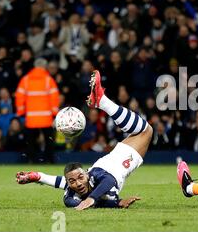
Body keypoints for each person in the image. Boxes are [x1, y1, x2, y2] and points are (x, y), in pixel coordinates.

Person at [16, 70, 153, 210]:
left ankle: (102, 101)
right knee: (143, 130)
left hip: (120, 161)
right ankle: (102, 101)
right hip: (114, 158)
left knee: (146, 131)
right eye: (73, 182)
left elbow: (109, 181)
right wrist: (37, 176)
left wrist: (91, 199)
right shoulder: (70, 196)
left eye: (81, 177)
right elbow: (65, 184)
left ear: (86, 174)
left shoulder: (96, 176)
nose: (78, 183)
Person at [15, 58, 60, 163]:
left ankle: (31, 160)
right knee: (49, 141)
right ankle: (49, 160)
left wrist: (21, 111)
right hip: (46, 118)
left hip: (31, 118)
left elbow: (19, 96)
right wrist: (54, 113)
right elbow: (54, 97)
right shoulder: (48, 80)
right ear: (44, 67)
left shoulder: (25, 80)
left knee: (30, 141)